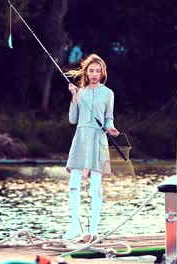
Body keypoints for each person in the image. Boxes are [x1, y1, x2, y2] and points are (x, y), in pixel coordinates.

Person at [63, 54, 119, 242]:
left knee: (96, 188)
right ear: (86, 72)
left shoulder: (108, 93)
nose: (94, 74)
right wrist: (73, 96)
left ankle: (93, 229)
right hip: (80, 138)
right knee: (73, 184)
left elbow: (108, 117)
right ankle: (74, 226)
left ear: (102, 72)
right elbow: (72, 119)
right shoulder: (81, 92)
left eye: (97, 71)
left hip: (98, 138)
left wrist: (110, 127)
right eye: (91, 70)